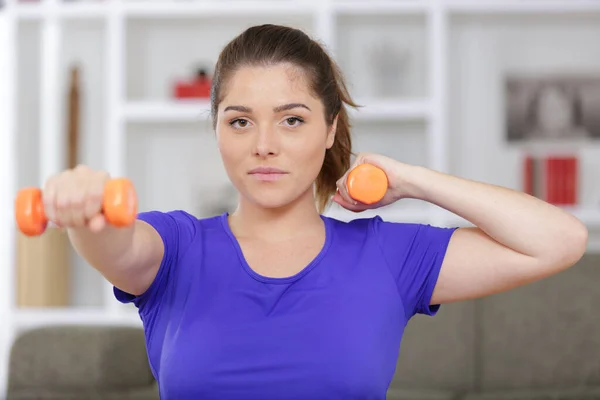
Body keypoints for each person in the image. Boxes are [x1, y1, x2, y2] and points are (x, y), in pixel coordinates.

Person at [43, 24, 588, 400]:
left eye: (292, 119)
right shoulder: (177, 249)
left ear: (330, 130)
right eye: (239, 121)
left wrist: (413, 180)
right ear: (216, 131)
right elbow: (116, 247)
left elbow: (559, 239)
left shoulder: (387, 255)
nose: (264, 144)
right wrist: (85, 212)